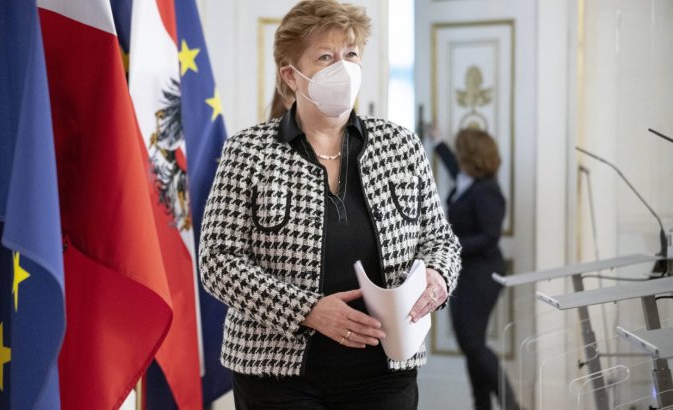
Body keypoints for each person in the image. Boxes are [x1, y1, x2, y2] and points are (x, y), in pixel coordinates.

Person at [198, 1, 462, 408]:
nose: (344, 68)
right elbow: (217, 261)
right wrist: (307, 310)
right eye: (325, 57)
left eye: (351, 54)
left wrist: (438, 276)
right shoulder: (248, 152)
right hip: (277, 376)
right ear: (291, 75)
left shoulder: (401, 145)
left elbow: (441, 241)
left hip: (385, 373)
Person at [426, 125, 520, 410]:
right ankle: (482, 406)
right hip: (466, 273)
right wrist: (438, 142)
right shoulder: (467, 180)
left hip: (483, 275)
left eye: (460, 150)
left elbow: (489, 238)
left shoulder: (488, 191)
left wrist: (451, 244)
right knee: (471, 346)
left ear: (471, 156)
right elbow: (453, 166)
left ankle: (512, 405)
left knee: (473, 345)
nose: (457, 155)